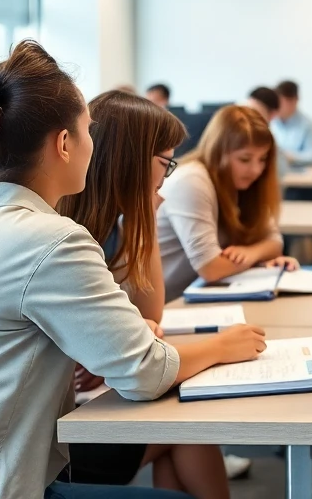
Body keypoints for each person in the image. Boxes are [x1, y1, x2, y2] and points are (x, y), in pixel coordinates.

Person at [0, 40, 267, 499]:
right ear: (64, 144)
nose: (93, 145)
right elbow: (146, 373)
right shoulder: (51, 239)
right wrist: (225, 344)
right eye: (88, 131)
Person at [56, 91, 232, 498]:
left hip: (79, 405)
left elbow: (152, 314)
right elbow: (139, 355)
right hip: (55, 440)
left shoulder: (111, 224)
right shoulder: (67, 237)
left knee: (181, 427)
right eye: (164, 163)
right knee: (186, 426)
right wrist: (222, 346)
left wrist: (144, 217)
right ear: (132, 163)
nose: (167, 175)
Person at [156, 105, 298, 297]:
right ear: (218, 152)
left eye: (262, 159)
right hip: (162, 307)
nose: (256, 170)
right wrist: (256, 256)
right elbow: (211, 268)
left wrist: (251, 253)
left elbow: (274, 242)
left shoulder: (243, 185)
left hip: (198, 297)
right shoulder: (191, 180)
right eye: (245, 159)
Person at [270, 80, 312, 167]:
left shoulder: (308, 125)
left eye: (280, 102)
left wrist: (289, 157)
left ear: (294, 101)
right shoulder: (271, 122)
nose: (276, 105)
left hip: (298, 174)